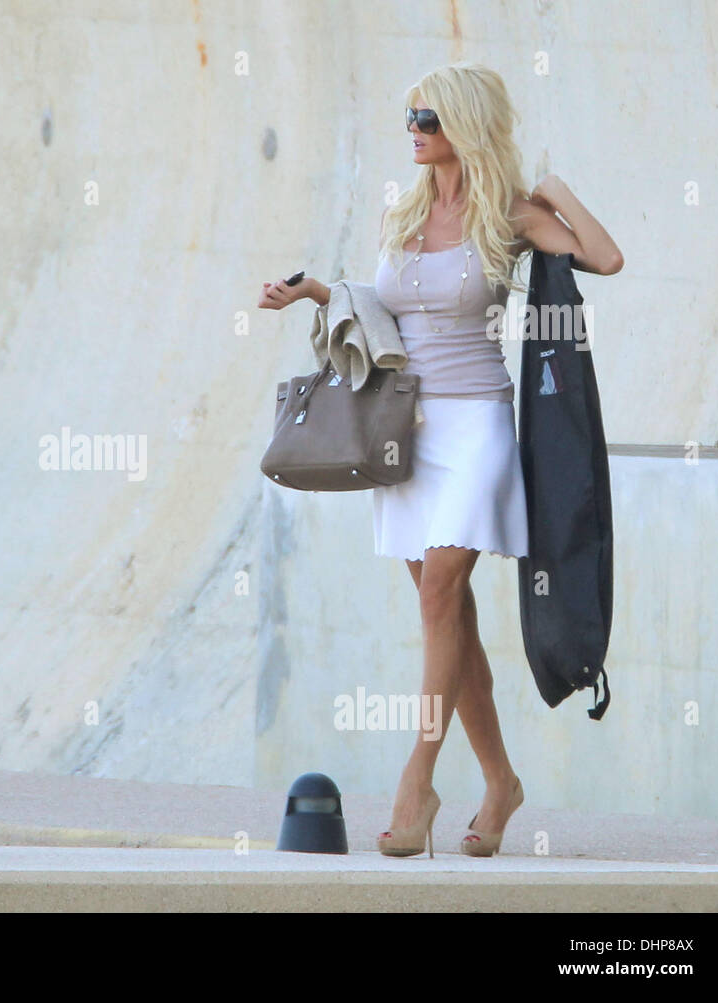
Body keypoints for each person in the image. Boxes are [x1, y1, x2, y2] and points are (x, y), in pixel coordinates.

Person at [259, 64, 622, 857]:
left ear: (465, 123)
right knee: (448, 618)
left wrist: (555, 188)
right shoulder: (406, 207)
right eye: (410, 115)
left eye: (427, 116)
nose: (415, 127)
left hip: (477, 429)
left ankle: (416, 779)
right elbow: (387, 308)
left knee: (441, 600)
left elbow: (606, 257)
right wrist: (319, 291)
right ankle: (500, 781)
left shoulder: (512, 214)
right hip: (406, 432)